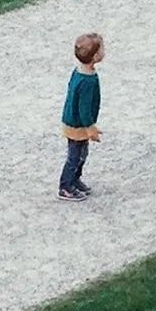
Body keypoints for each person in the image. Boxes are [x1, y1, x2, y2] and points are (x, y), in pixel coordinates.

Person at [58, 32, 105, 201]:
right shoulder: (87, 81)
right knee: (75, 157)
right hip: (77, 124)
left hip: (76, 122)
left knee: (81, 154)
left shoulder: (80, 72)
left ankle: (75, 180)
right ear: (95, 56)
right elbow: (84, 109)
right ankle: (65, 186)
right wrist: (90, 128)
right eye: (102, 49)